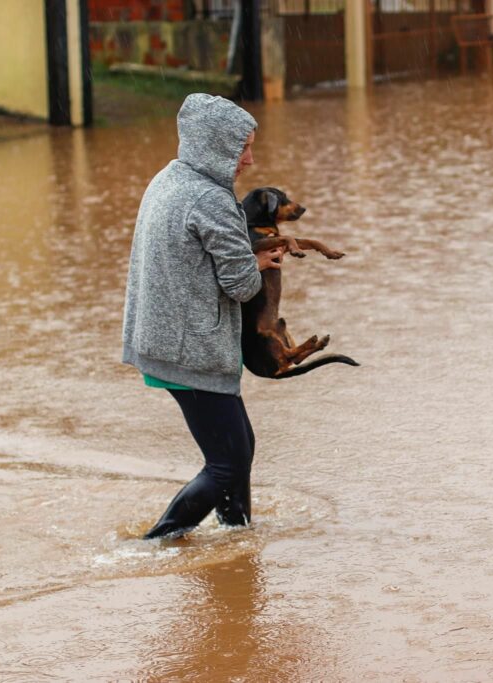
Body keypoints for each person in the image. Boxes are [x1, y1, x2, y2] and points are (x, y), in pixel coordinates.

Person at [121, 93, 284, 540]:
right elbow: (242, 287)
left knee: (239, 448)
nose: (250, 160)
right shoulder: (211, 200)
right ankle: (157, 543)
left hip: (163, 339)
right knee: (228, 460)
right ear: (215, 146)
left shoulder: (169, 177)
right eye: (242, 148)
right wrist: (259, 266)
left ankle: (237, 536)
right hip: (192, 350)